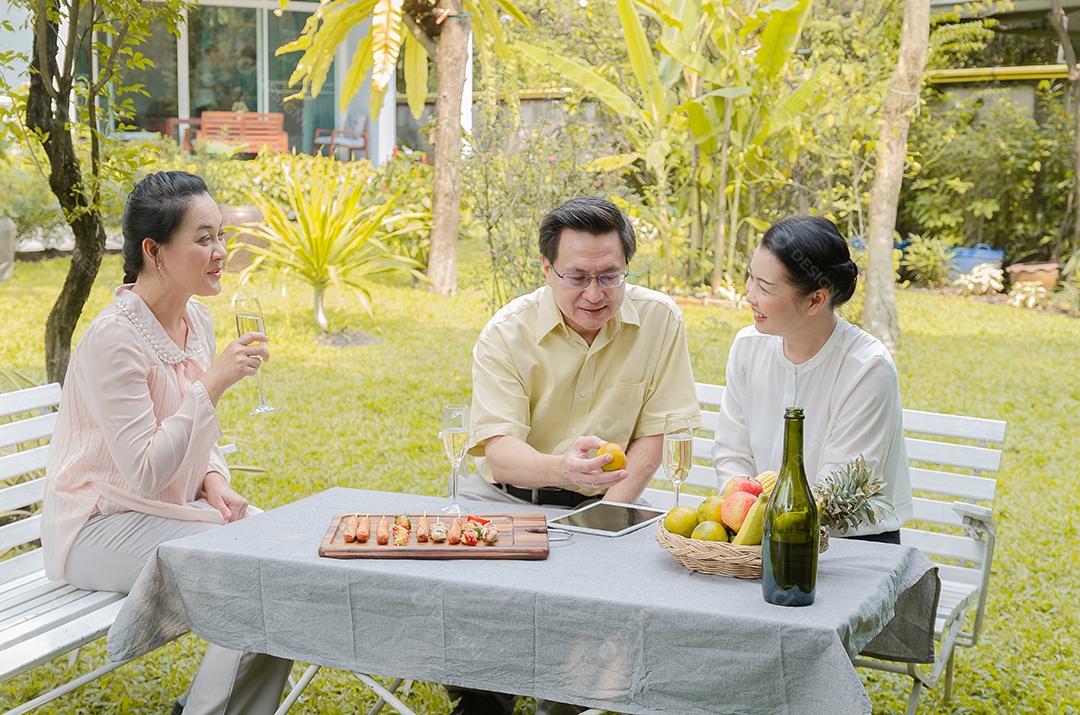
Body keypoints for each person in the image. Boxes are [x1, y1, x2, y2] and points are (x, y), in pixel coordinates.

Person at [41, 171, 293, 715]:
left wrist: (213, 479)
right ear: (153, 250)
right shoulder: (115, 339)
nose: (221, 251)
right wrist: (213, 383)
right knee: (255, 574)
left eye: (221, 235)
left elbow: (197, 433)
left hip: (166, 512)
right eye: (203, 239)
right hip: (96, 526)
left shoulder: (195, 318)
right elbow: (146, 471)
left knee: (284, 560)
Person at [454, 196, 701, 715]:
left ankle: (567, 704)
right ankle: (484, 698)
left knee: (604, 609)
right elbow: (500, 454)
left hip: (615, 497)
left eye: (610, 276)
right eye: (577, 277)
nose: (595, 294)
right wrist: (561, 468)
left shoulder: (660, 321)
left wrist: (602, 516)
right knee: (481, 610)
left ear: (626, 267)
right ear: (547, 268)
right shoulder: (507, 332)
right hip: (506, 496)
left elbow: (655, 438)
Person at [711, 215, 914, 542]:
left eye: (764, 287)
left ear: (816, 300)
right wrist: (742, 510)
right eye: (751, 277)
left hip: (851, 546)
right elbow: (731, 451)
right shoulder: (748, 347)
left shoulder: (866, 368)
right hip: (754, 534)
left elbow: (834, 493)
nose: (749, 294)